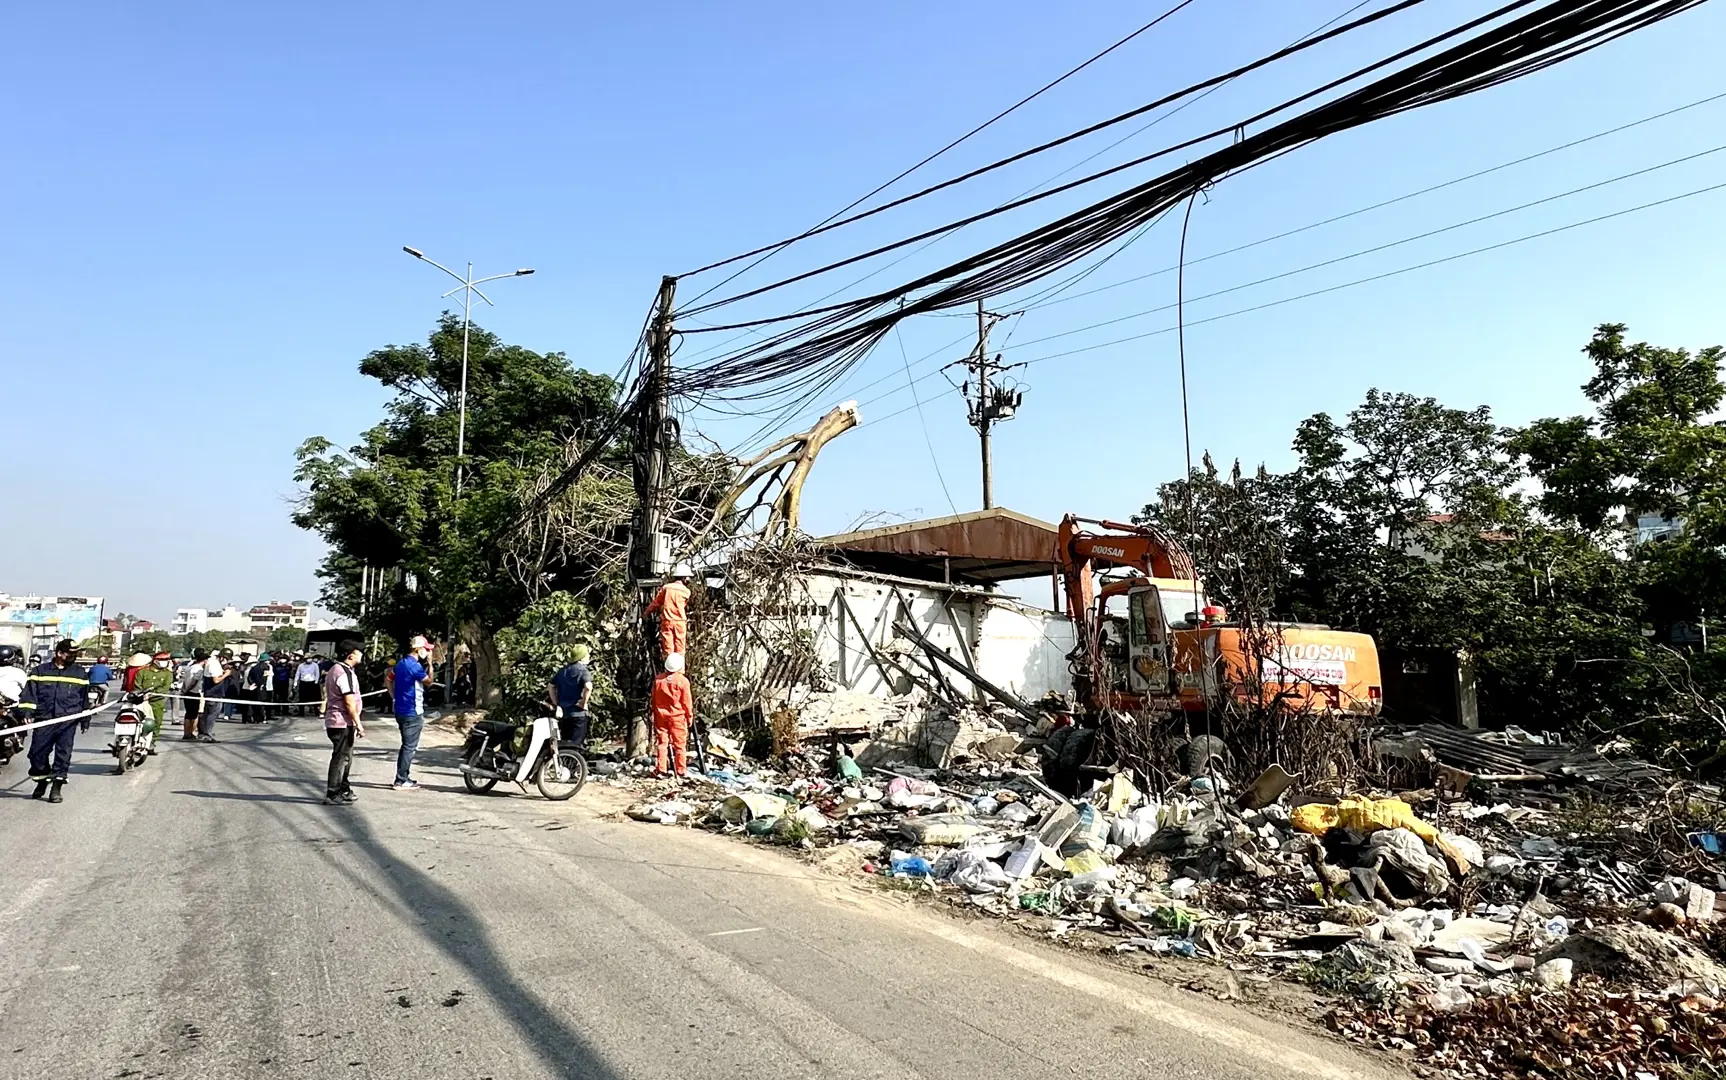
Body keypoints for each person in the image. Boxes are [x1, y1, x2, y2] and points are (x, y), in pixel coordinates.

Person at [19, 639, 91, 802]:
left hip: (68, 721)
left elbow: (84, 699)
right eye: (70, 653)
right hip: (44, 719)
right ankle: (42, 779)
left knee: (63, 754)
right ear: (59, 653)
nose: (74, 656)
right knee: (36, 754)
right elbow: (29, 694)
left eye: (75, 653)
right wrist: (28, 713)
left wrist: (85, 719)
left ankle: (56, 788)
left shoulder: (80, 673)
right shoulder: (40, 671)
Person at [322, 639, 366, 805]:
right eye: (359, 651)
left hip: (342, 721)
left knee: (346, 757)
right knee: (340, 758)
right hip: (340, 721)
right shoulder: (342, 673)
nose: (362, 654)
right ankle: (333, 793)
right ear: (351, 655)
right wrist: (358, 723)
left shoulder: (341, 670)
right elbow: (349, 701)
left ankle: (344, 789)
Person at [389, 635, 433, 791]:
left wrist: (394, 697)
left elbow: (388, 680)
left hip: (400, 710)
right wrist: (430, 664)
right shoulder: (415, 667)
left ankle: (403, 776)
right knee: (409, 747)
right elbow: (429, 682)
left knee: (406, 746)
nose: (428, 652)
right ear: (418, 649)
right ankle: (401, 780)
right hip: (412, 711)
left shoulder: (400, 664)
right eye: (426, 649)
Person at [651, 651, 693, 778]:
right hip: (677, 717)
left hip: (661, 716)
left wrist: (654, 712)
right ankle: (681, 771)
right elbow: (687, 702)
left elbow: (653, 698)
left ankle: (661, 769)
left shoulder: (658, 680)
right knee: (679, 745)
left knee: (662, 744)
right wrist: (689, 716)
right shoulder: (682, 681)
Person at [546, 644, 593, 753]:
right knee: (576, 746)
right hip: (578, 714)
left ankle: (565, 767)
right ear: (582, 657)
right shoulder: (583, 671)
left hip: (564, 714)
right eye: (587, 655)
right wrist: (583, 702)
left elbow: (550, 686)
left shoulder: (562, 671)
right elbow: (588, 687)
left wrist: (556, 703)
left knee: (565, 745)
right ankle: (575, 768)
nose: (589, 657)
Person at [645, 564, 693, 659]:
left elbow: (656, 602)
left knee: (668, 650)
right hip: (680, 622)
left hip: (667, 621)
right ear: (684, 578)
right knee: (680, 650)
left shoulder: (666, 588)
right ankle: (679, 672)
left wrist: (646, 613)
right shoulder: (686, 592)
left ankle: (669, 670)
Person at [132, 651, 176, 747]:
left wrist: (152, 695)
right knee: (138, 719)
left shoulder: (167, 674)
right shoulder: (142, 672)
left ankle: (151, 743)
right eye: (162, 660)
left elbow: (165, 688)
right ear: (155, 661)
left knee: (156, 721)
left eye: (166, 660)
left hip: (157, 702)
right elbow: (137, 685)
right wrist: (142, 694)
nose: (165, 662)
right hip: (141, 700)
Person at [179, 648, 209, 740]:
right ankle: (191, 732)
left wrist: (184, 690)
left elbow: (184, 680)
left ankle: (186, 733)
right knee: (194, 715)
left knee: (188, 714)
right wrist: (187, 690)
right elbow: (194, 681)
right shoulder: (199, 669)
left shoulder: (190, 667)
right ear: (204, 660)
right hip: (194, 692)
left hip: (187, 693)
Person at [84, 653, 112, 731]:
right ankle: (103, 701)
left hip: (91, 684)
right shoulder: (107, 668)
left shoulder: (93, 667)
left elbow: (88, 675)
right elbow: (110, 676)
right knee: (107, 690)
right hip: (101, 684)